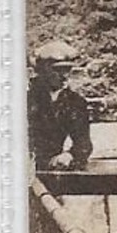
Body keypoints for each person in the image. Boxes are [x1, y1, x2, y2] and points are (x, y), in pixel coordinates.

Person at [29, 40, 93, 171]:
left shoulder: (75, 102)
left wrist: (69, 155)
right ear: (42, 70)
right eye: (58, 70)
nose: (64, 76)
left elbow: (83, 143)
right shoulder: (23, 99)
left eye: (67, 69)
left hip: (51, 169)